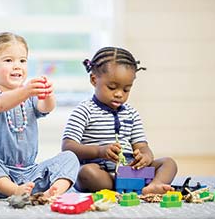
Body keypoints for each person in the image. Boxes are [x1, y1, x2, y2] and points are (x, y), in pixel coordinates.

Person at [0, 32, 79, 199]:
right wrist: (25, 91)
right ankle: (13, 190)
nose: (17, 66)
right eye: (9, 60)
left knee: (69, 157)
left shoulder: (29, 96)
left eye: (22, 60)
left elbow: (46, 108)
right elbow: (0, 104)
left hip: (31, 173)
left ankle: (51, 192)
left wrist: (46, 94)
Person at [62, 46, 178, 195]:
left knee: (169, 163)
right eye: (112, 87)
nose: (119, 94)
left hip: (131, 169)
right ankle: (124, 187)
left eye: (126, 89)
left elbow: (142, 146)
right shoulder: (84, 110)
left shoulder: (132, 113)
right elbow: (67, 146)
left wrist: (146, 157)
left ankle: (153, 186)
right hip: (101, 170)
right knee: (86, 173)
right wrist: (100, 151)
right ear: (93, 79)